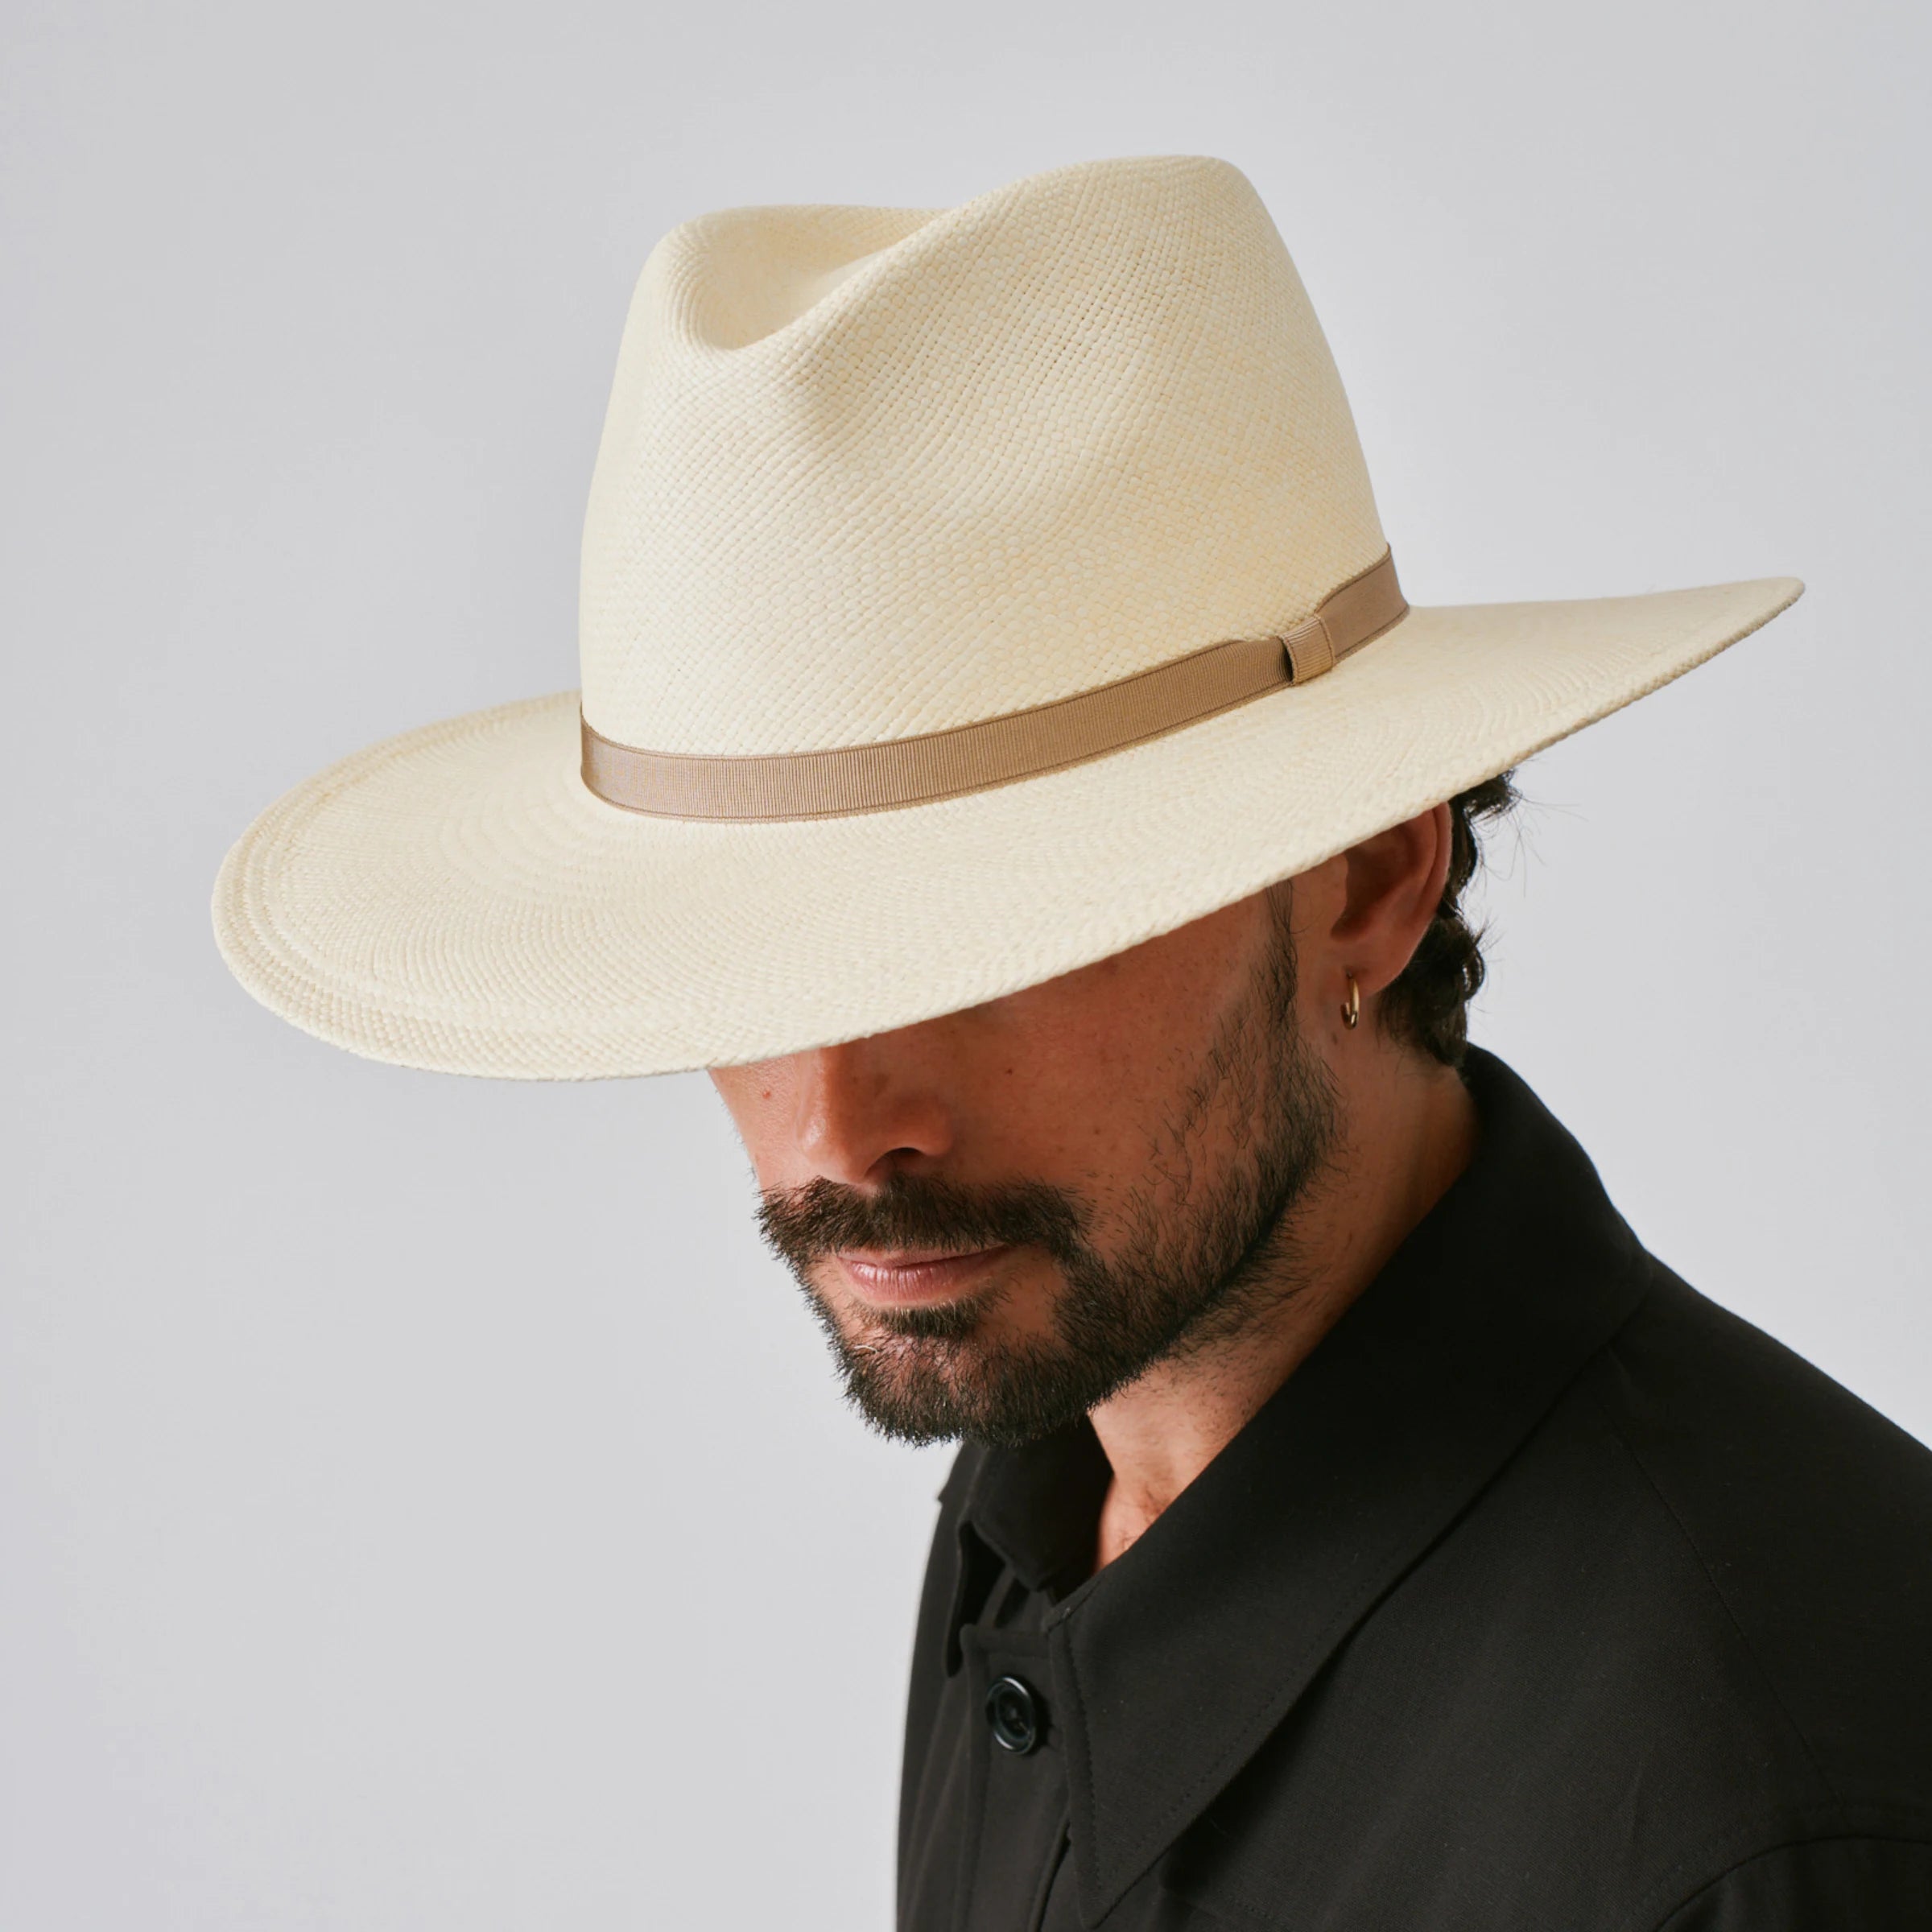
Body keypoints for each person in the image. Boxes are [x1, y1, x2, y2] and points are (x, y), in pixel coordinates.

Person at [214, 156, 1932, 1927]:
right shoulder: (1045, 1485)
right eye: (741, 974)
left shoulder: (1766, 1800)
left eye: (977, 950)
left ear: (1365, 880)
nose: (839, 1130)